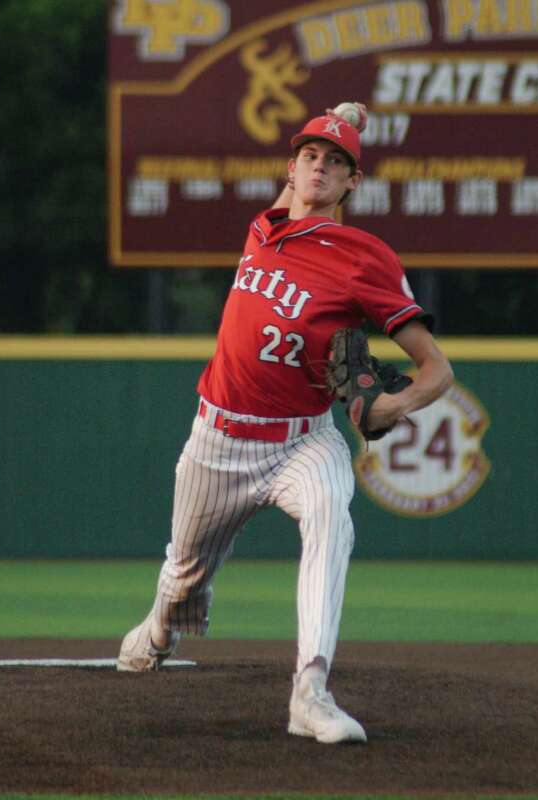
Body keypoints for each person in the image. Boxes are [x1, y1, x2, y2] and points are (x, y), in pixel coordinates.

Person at [116, 103, 454, 744]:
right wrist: (339, 117)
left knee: (332, 518)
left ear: (354, 182)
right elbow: (293, 198)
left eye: (336, 162)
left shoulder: (364, 257)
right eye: (310, 156)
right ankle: (159, 628)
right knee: (185, 575)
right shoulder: (265, 227)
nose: (319, 167)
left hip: (305, 439)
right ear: (291, 169)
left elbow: (436, 369)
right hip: (218, 440)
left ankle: (312, 690)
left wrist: (391, 405)